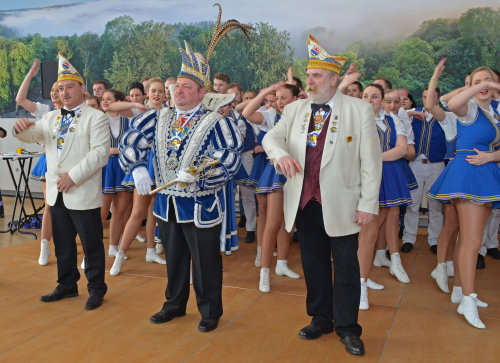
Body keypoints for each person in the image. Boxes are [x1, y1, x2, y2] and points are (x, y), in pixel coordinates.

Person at [119, 19, 247, 331]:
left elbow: (230, 156)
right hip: (167, 204)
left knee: (205, 263)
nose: (178, 91)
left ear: (202, 92)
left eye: (186, 87)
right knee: (174, 259)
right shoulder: (159, 117)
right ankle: (174, 304)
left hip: (201, 205)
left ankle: (209, 312)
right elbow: (130, 140)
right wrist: (137, 169)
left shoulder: (216, 121)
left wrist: (204, 175)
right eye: (176, 86)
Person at [262, 34, 382, 356]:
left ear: (333, 79)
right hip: (304, 200)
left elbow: (371, 163)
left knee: (346, 266)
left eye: (316, 76)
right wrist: (279, 155)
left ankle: (347, 328)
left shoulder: (359, 111)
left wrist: (368, 204)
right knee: (313, 263)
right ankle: (320, 318)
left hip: (343, 203)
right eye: (309, 75)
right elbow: (271, 137)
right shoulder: (296, 109)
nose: (309, 81)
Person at [14, 53, 110, 310]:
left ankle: (96, 288)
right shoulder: (51, 117)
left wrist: (73, 177)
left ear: (82, 89)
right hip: (57, 193)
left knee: (91, 245)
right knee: (63, 243)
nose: (64, 92)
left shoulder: (96, 117)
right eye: (59, 88)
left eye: (70, 87)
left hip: (82, 190)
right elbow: (33, 134)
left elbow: (100, 153)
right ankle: (66, 284)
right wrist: (20, 129)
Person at [427, 65, 500, 329]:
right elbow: (453, 101)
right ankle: (468, 299)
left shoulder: (495, 114)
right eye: (477, 81)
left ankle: (460, 290)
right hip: (468, 174)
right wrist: (477, 87)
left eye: (488, 80)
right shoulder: (470, 110)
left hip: (486, 174)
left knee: (470, 239)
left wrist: (491, 156)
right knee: (471, 240)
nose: (483, 85)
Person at [243, 83, 301, 293]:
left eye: (283, 98)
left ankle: (282, 263)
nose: (279, 102)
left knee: (288, 221)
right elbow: (247, 112)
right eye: (277, 98)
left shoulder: (305, 119)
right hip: (277, 172)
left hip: (297, 173)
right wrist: (265, 92)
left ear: (296, 99)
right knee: (273, 221)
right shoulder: (271, 116)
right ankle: (264, 272)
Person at [357, 84, 411, 310]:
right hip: (366, 177)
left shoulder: (392, 119)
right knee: (368, 230)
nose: (369, 100)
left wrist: (375, 158)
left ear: (382, 99)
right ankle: (359, 285)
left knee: (382, 222)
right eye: (365, 96)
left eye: (374, 96)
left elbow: (402, 149)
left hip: (387, 175)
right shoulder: (356, 118)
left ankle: (365, 278)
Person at [15, 58, 65, 266]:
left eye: (59, 89)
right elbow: (20, 99)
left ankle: (72, 246)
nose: (54, 93)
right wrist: (30, 75)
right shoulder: (45, 111)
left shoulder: (79, 113)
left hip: (72, 164)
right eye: (52, 90)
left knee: (73, 209)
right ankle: (44, 247)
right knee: (50, 206)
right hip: (50, 162)